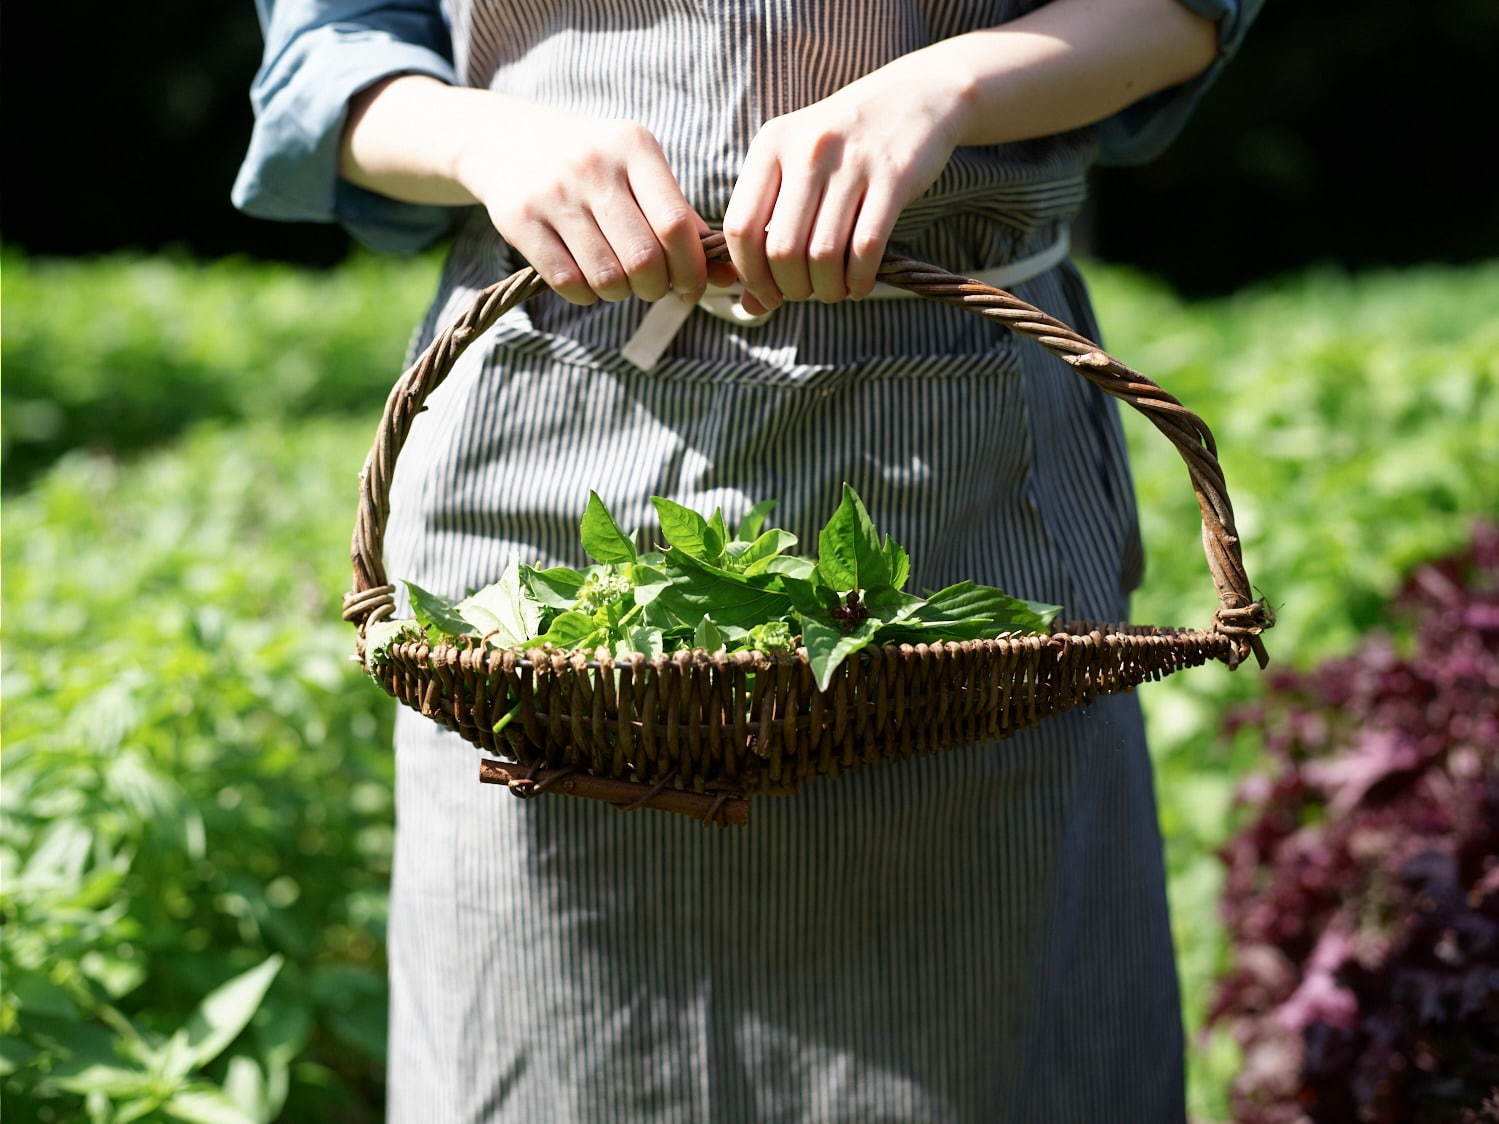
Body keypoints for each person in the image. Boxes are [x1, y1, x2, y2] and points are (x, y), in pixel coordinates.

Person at [235, 2, 1261, 1119]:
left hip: (956, 447)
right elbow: (329, 56)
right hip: (546, 443)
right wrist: (487, 138)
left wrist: (948, 86)